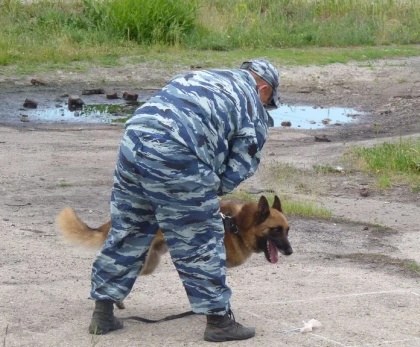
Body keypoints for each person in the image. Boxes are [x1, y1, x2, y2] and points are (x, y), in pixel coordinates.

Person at [87, 59, 279, 342]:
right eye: (269, 100)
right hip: (177, 153)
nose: (266, 106)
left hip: (133, 143)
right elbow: (241, 164)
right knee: (200, 237)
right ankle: (218, 321)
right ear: (263, 88)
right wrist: (207, 192)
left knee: (129, 227)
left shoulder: (201, 77)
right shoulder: (251, 102)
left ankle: (102, 314)